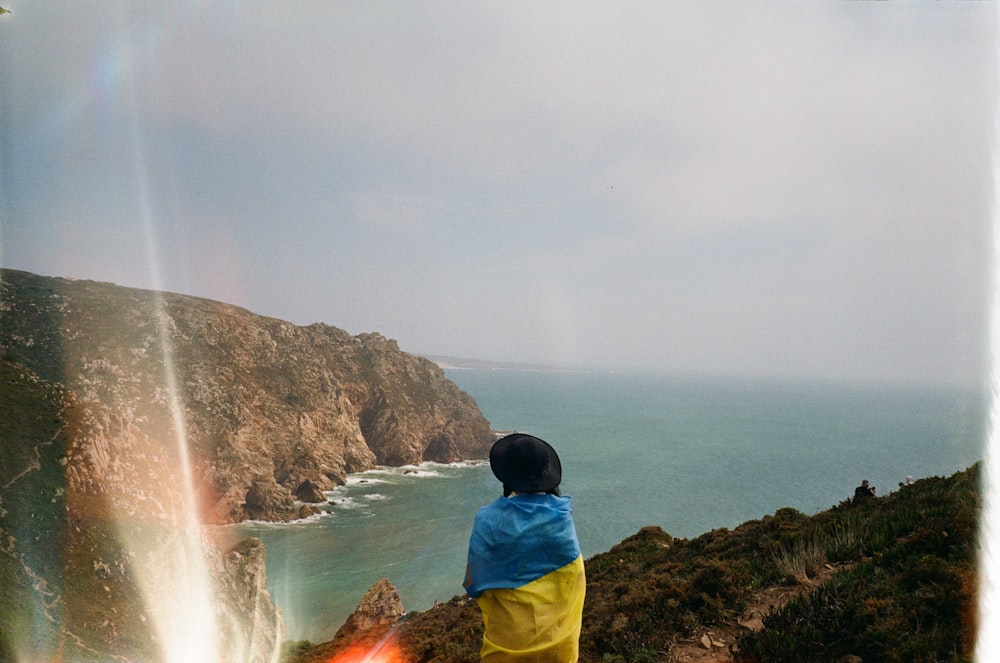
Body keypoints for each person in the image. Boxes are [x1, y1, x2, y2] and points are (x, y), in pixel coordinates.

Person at [464, 433, 586, 662]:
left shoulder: (488, 521)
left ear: (507, 476)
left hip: (506, 654)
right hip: (561, 652)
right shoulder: (561, 518)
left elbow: (475, 584)